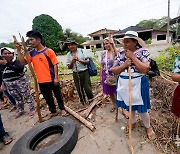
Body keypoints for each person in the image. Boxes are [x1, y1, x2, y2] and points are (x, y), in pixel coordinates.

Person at [112, 31, 155, 139]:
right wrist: (125, 65)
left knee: (142, 108)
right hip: (124, 84)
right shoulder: (121, 53)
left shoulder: (143, 52)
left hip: (138, 84)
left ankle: (148, 127)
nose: (125, 44)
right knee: (130, 106)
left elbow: (145, 69)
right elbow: (114, 70)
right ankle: (133, 122)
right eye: (124, 42)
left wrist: (133, 57)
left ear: (135, 42)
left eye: (127, 41)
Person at [15, 30, 66, 117]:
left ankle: (62, 109)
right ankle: (53, 111)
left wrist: (56, 77)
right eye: (29, 40)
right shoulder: (31, 53)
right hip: (41, 81)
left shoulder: (48, 51)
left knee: (58, 95)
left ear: (39, 40)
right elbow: (23, 62)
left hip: (52, 78)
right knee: (48, 97)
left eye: (32, 40)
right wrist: (19, 51)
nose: (30, 42)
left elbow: (55, 65)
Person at [0, 48, 35, 118]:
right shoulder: (1, 64)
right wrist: (3, 84)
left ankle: (32, 108)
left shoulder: (17, 61)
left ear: (12, 54)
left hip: (20, 82)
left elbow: (19, 69)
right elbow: (1, 74)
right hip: (9, 84)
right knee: (17, 98)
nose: (7, 55)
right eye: (5, 54)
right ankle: (21, 110)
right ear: (2, 55)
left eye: (9, 53)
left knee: (27, 95)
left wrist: (7, 64)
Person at [66, 38, 93, 105]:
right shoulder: (68, 55)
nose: (71, 46)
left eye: (72, 44)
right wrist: (72, 61)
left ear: (76, 45)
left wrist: (79, 60)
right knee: (79, 89)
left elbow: (87, 61)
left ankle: (91, 101)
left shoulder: (82, 51)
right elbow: (69, 67)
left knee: (87, 88)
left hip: (84, 72)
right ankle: (83, 102)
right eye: (69, 45)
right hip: (75, 73)